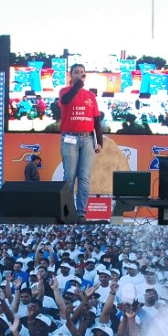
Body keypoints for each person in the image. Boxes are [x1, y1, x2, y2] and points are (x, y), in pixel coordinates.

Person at [57, 63, 104, 221]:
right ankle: (67, 211)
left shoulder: (90, 96)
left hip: (88, 139)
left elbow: (96, 120)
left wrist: (100, 142)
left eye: (82, 72)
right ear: (71, 75)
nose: (79, 74)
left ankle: (81, 213)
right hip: (70, 138)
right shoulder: (64, 91)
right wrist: (77, 85)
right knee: (69, 176)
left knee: (84, 177)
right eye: (76, 72)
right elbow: (67, 100)